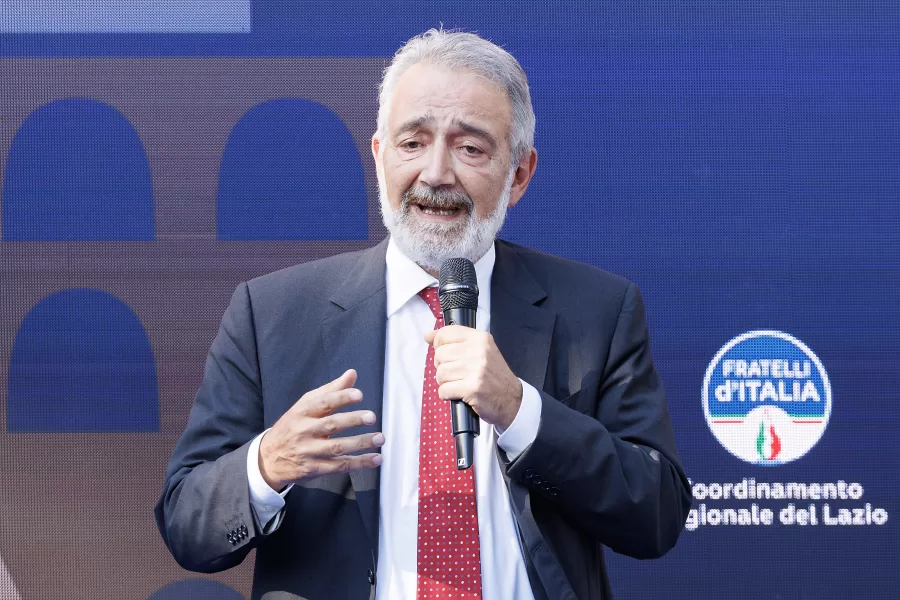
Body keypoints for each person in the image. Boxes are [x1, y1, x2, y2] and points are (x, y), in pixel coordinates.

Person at [155, 28, 692, 600]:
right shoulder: (273, 314)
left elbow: (655, 515)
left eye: (470, 148)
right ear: (380, 155)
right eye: (413, 143)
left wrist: (521, 413)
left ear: (519, 175)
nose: (435, 174)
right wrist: (267, 464)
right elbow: (188, 525)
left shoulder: (597, 311)